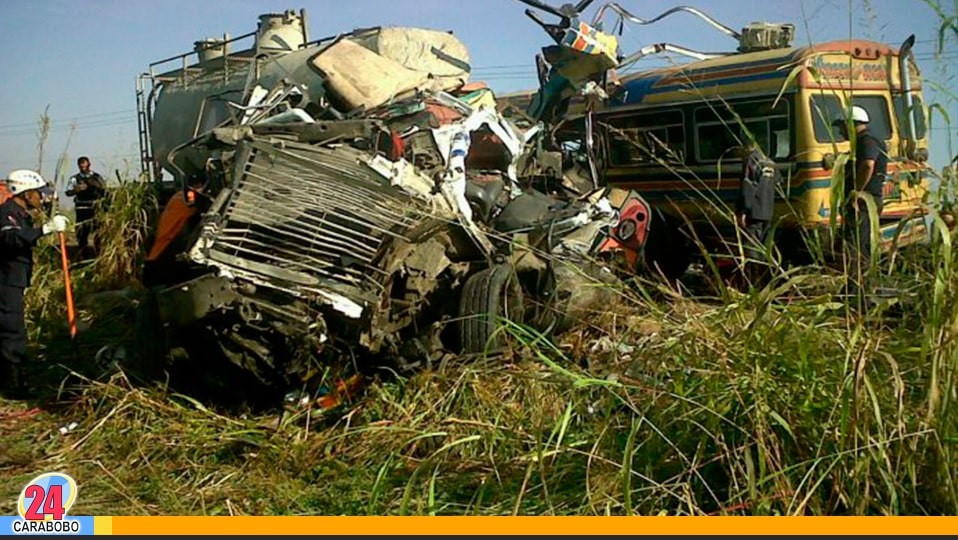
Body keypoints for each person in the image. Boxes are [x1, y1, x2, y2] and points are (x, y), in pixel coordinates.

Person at [1, 170, 70, 398]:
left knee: (11, 328)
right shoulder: (7, 213)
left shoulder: (22, 214)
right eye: (38, 194)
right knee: (12, 330)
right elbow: (10, 239)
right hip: (5, 281)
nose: (41, 198)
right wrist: (45, 230)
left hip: (14, 279)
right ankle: (15, 387)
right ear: (26, 192)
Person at [833, 105, 887, 306]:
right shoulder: (869, 141)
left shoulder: (867, 141)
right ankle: (853, 290)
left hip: (863, 202)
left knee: (854, 247)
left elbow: (867, 165)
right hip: (866, 202)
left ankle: (857, 296)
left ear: (851, 124)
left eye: (842, 127)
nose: (840, 131)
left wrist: (856, 192)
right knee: (860, 247)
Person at [141, 172, 210, 288]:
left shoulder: (179, 196)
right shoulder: (188, 196)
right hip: (164, 254)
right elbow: (199, 201)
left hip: (161, 253)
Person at [735, 143, 780, 281]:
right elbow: (778, 182)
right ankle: (765, 279)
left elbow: (748, 186)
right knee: (764, 247)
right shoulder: (770, 162)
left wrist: (743, 210)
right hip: (768, 211)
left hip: (754, 211)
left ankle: (753, 281)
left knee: (751, 248)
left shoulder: (752, 160)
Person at [65, 156, 106, 259]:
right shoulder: (75, 178)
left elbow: (104, 189)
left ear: (89, 164)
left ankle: (98, 255)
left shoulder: (97, 177)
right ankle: (84, 256)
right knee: (82, 233)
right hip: (81, 208)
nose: (83, 167)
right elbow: (68, 192)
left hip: (95, 207)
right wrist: (77, 189)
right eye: (81, 165)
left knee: (98, 233)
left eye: (84, 165)